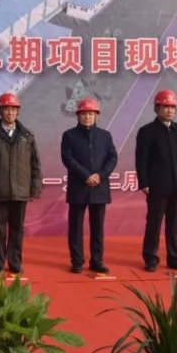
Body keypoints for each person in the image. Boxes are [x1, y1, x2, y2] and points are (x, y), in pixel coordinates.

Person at [0, 92, 41, 275]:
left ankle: (15, 263)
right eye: (6, 109)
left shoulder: (27, 136)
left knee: (17, 230)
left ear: (18, 111)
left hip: (21, 192)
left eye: (13, 109)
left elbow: (35, 165)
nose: (10, 112)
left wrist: (34, 189)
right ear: (0, 111)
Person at [135, 89, 177, 272]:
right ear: (157, 108)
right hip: (157, 186)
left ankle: (175, 258)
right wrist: (143, 182)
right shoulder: (147, 131)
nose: (169, 110)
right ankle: (151, 258)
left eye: (172, 107)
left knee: (175, 224)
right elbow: (141, 159)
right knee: (154, 223)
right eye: (165, 107)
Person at [60, 98, 118, 274]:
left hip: (99, 187)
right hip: (79, 186)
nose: (87, 117)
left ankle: (97, 261)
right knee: (76, 227)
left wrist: (100, 175)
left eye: (91, 113)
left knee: (97, 228)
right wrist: (85, 175)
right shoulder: (69, 135)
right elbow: (67, 158)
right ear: (78, 116)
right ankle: (77, 261)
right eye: (84, 113)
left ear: (97, 116)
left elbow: (112, 158)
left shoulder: (105, 136)